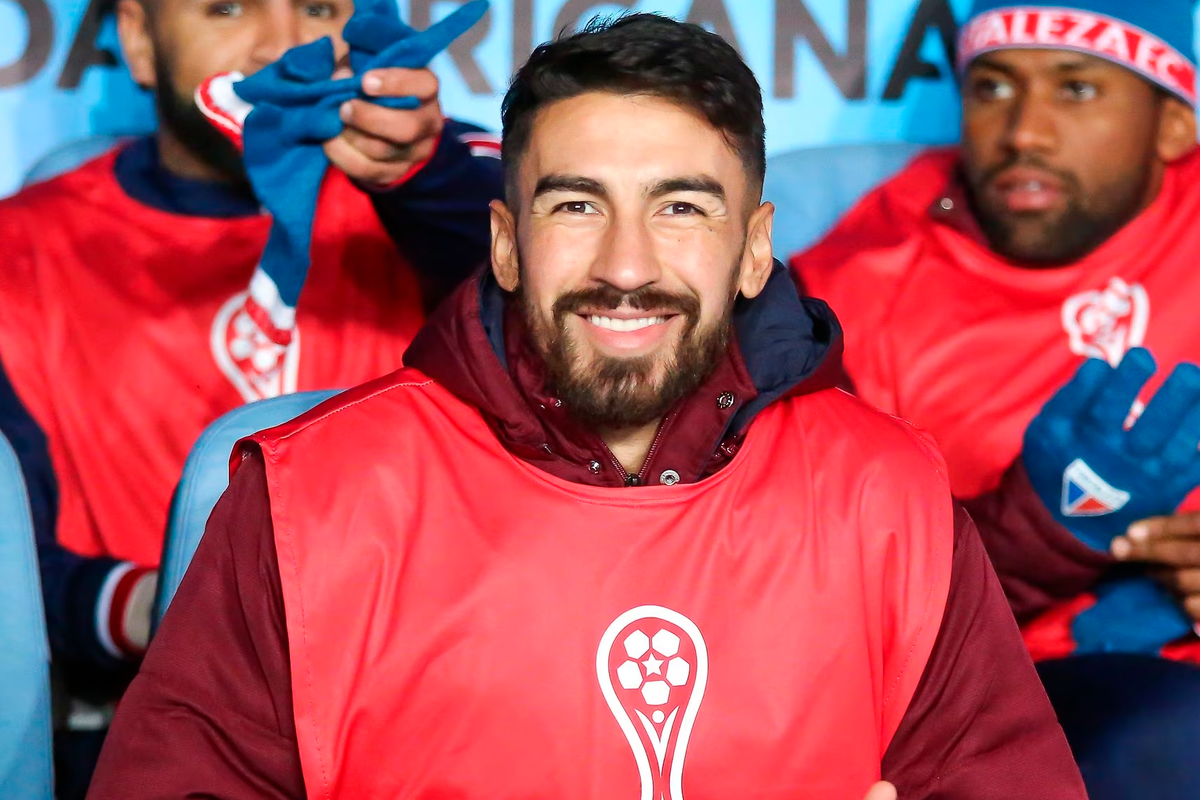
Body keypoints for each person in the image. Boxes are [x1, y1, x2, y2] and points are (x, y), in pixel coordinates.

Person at [88, 14, 1085, 799]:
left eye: (681, 206)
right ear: (507, 241)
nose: (625, 265)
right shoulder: (309, 499)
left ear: (753, 248)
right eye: (576, 203)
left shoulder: (890, 496)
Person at [0, 0, 501, 793]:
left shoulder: (448, 189)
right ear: (138, 39)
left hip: (422, 722)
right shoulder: (17, 253)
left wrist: (418, 172)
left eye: (317, 8)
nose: (283, 43)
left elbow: (543, 289)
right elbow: (14, 577)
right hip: (127, 725)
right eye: (226, 7)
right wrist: (170, 610)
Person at [792, 0, 1200, 795]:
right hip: (999, 687)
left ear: (1174, 127)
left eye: (1077, 90)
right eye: (993, 88)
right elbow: (838, 607)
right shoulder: (848, 287)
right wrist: (1045, 527)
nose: (1023, 134)